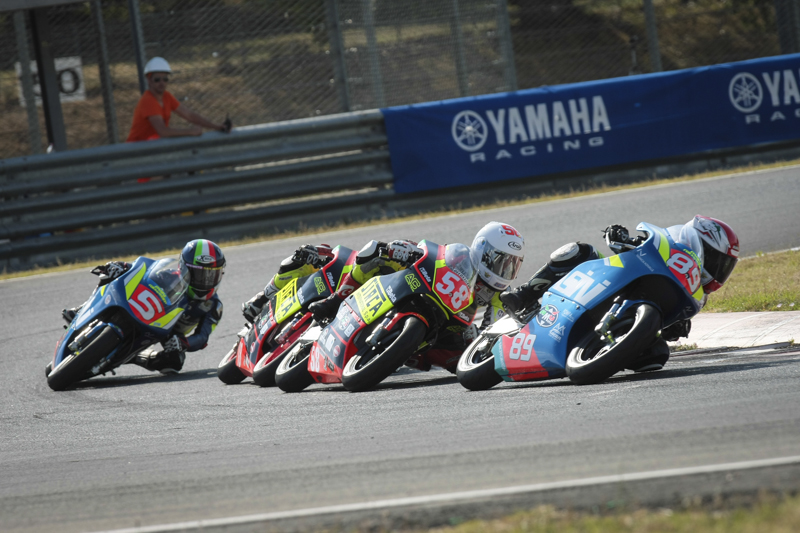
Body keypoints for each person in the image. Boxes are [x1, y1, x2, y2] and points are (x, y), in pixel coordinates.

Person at [241, 223, 525, 370]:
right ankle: (337, 299)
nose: (505, 270)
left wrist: (480, 338)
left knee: (459, 356)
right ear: (483, 251)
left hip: (443, 330)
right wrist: (401, 250)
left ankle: (404, 355)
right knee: (374, 256)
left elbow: (493, 333)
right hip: (414, 292)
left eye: (512, 265)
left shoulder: (498, 296)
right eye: (501, 261)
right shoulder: (459, 257)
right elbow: (428, 254)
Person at [500, 215, 740, 371]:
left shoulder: (696, 295)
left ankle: (597, 355)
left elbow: (668, 328)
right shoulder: (666, 246)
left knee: (656, 357)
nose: (719, 270)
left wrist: (676, 326)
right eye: (717, 260)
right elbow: (630, 246)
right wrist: (620, 238)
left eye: (725, 266)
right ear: (699, 243)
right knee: (580, 251)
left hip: (622, 325)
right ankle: (524, 295)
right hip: (603, 284)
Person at [61, 239, 226, 374]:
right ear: (183, 268)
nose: (206, 281)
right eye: (200, 274)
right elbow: (141, 272)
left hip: (170, 335)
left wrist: (183, 343)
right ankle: (83, 309)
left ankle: (136, 356)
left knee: (174, 363)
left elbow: (202, 337)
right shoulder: (167, 276)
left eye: (212, 275)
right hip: (148, 311)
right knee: (111, 276)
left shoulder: (213, 306)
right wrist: (122, 267)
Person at [126, 57, 231, 143]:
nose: (162, 83)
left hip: (152, 147)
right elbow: (163, 131)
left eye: (165, 79)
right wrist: (191, 132)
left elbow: (189, 115)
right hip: (137, 151)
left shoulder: (167, 97)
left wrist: (216, 126)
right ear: (149, 80)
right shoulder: (148, 101)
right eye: (157, 79)